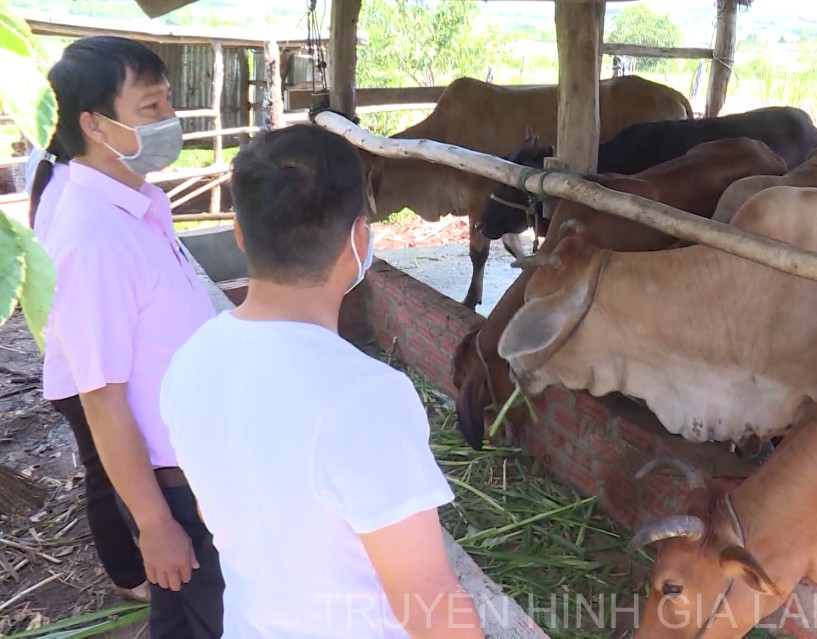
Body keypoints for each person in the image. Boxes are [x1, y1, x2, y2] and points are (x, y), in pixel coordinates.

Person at [160, 123, 484, 639]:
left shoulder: (187, 364)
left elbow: (215, 506)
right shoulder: (367, 397)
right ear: (360, 239)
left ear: (240, 234)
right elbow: (431, 605)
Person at [32, 36, 224, 637]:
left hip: (194, 466)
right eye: (151, 108)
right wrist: (153, 523)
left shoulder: (137, 203)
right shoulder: (92, 238)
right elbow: (101, 398)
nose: (169, 121)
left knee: (190, 615)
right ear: (94, 124)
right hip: (171, 485)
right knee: (202, 614)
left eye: (169, 103)